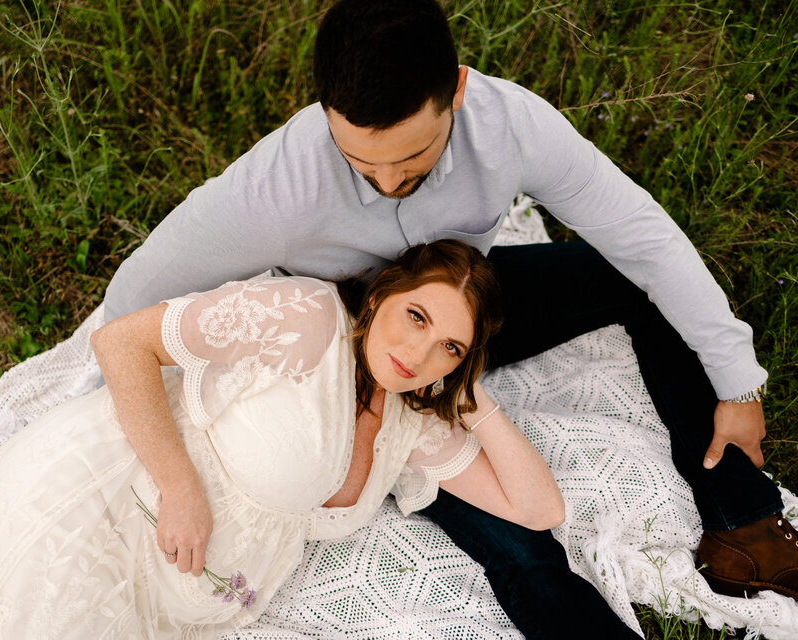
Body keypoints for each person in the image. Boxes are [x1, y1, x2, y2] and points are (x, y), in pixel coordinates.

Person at [101, 0, 797, 636]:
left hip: (466, 310)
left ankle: (742, 521)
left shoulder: (509, 122)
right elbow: (134, 297)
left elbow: (640, 234)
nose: (386, 183)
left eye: (410, 159)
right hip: (359, 363)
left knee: (629, 275)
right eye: (359, 164)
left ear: (457, 92)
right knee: (523, 546)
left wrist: (739, 384)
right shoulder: (273, 186)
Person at [0, 240, 565, 639]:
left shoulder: (408, 424)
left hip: (170, 607)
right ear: (379, 297)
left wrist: (472, 396)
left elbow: (539, 508)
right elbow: (122, 343)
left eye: (450, 346)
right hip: (100, 510)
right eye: (416, 316)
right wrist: (180, 487)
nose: (419, 355)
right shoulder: (305, 318)